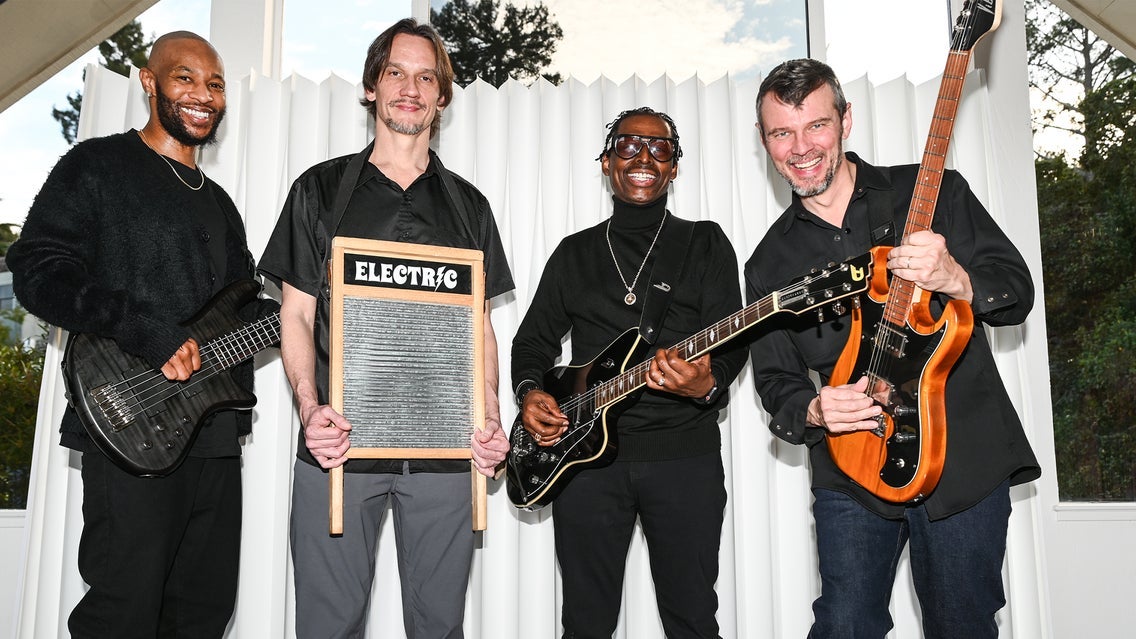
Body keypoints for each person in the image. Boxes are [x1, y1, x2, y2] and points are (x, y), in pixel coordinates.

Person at [744, 58, 1041, 637]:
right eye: (782, 132)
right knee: (844, 624)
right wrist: (814, 409)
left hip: (962, 458)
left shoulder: (934, 192)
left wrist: (957, 278)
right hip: (851, 467)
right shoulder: (767, 264)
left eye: (816, 125)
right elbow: (777, 382)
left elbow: (1016, 292)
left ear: (846, 120)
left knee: (962, 626)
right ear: (764, 140)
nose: (801, 148)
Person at [6, 31, 277, 638]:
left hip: (214, 437)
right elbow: (38, 271)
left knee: (202, 615)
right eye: (185, 78)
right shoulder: (98, 167)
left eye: (215, 84)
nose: (203, 95)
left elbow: (238, 313)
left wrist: (314, 310)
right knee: (123, 614)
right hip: (129, 429)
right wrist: (144, 332)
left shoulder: (221, 204)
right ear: (149, 83)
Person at [257, 18, 513, 639]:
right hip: (339, 448)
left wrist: (490, 415)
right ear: (372, 86)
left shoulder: (469, 206)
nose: (410, 88)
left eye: (426, 77)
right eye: (396, 72)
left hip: (447, 457)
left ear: (442, 97)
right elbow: (296, 313)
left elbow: (478, 326)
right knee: (328, 626)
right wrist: (309, 408)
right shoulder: (319, 191)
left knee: (440, 628)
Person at [511, 106, 748, 639]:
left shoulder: (705, 243)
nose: (644, 157)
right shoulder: (574, 254)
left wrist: (707, 384)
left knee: (692, 621)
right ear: (606, 162)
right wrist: (529, 393)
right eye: (628, 145)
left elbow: (733, 342)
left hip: (684, 461)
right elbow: (532, 343)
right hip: (584, 463)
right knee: (585, 624)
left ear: (674, 167)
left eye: (660, 148)